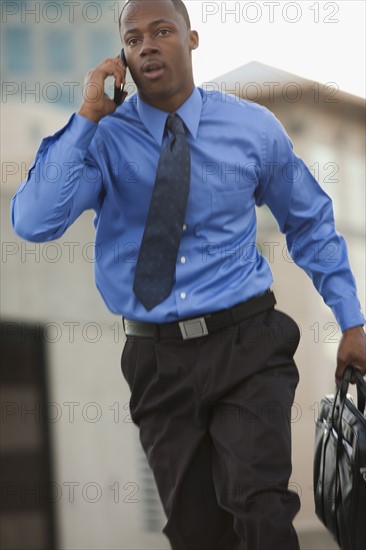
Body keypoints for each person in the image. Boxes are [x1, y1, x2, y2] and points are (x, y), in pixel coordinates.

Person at [11, 0, 366, 548]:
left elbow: (311, 224)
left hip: (248, 343)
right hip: (157, 360)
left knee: (261, 506)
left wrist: (351, 320)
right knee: (196, 531)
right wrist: (85, 115)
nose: (147, 44)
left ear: (192, 39)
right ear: (123, 58)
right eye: (133, 39)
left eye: (161, 31)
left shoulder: (253, 129)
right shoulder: (104, 140)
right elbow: (34, 223)